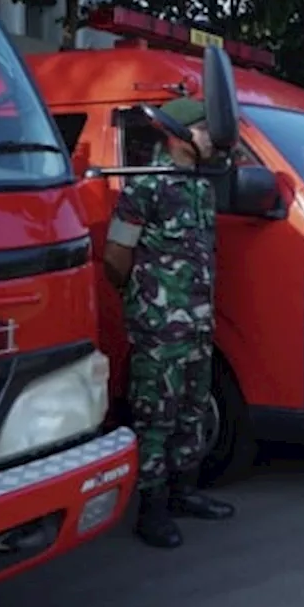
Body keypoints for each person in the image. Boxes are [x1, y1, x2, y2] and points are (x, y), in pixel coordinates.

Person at [103, 97, 235, 549]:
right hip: (159, 329)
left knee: (192, 411)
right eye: (205, 130)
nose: (213, 140)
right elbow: (115, 255)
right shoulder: (146, 187)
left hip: (196, 324)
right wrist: (144, 302)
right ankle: (150, 511)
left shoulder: (200, 187)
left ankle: (184, 493)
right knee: (155, 417)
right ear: (180, 135)